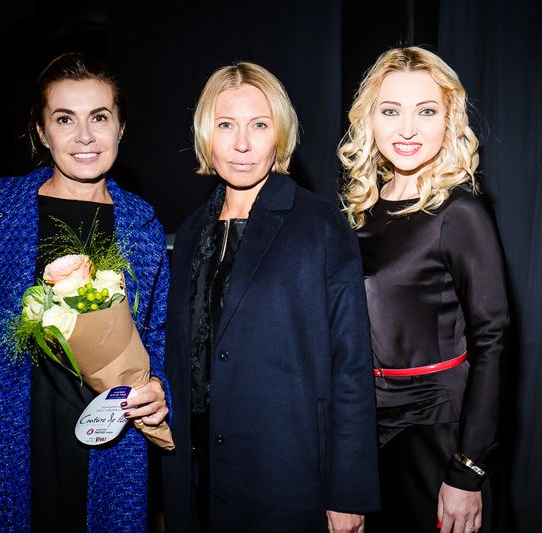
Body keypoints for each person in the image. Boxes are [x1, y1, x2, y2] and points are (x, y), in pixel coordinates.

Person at [0, 52, 170, 532]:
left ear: (122, 128)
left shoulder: (142, 226)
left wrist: (157, 389)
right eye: (65, 119)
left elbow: (159, 336)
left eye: (99, 117)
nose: (84, 136)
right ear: (42, 132)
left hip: (107, 446)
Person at [162, 61, 380, 533]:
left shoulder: (319, 226)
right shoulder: (190, 233)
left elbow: (352, 366)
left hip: (285, 479)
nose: (242, 144)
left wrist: (349, 492)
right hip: (197, 480)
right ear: (206, 133)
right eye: (226, 125)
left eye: (259, 125)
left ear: (279, 133)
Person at [338, 47, 510, 533]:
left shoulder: (460, 213)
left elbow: (492, 343)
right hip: (366, 429)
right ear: (369, 119)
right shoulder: (358, 212)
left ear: (449, 119)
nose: (408, 129)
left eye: (426, 111)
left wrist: (468, 468)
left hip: (436, 432)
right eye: (391, 111)